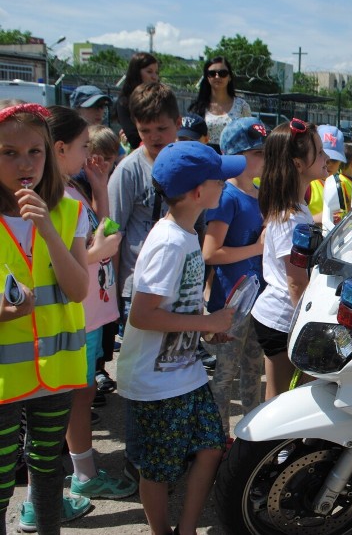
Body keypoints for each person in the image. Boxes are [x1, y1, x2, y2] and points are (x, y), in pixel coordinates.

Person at [116, 141, 242, 535]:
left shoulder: (186, 233)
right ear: (197, 192)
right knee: (158, 469)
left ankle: (185, 530)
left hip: (184, 373)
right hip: (155, 384)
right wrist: (208, 324)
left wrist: (205, 327)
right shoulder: (170, 241)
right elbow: (142, 314)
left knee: (210, 447)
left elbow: (179, 307)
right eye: (219, 178)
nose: (226, 182)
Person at [0, 102, 91, 534]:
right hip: (3, 377)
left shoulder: (68, 211)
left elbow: (78, 290)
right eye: (9, 153)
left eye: (34, 152)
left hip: (54, 370)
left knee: (48, 471)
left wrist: (49, 231)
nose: (25, 163)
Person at [47, 107, 137, 503]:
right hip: (76, 314)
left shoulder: (73, 188)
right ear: (60, 148)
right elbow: (52, 264)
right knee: (69, 400)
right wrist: (96, 251)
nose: (89, 155)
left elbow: (104, 228)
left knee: (81, 396)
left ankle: (80, 471)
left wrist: (100, 188)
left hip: (91, 311)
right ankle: (73, 478)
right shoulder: (51, 197)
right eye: (84, 147)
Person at [107, 82, 187, 481]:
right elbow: (114, 230)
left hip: (178, 287)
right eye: (146, 132)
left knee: (171, 370)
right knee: (140, 376)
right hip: (136, 290)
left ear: (178, 123)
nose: (155, 139)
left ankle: (167, 449)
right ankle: (137, 456)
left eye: (162, 130)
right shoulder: (128, 171)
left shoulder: (185, 164)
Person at [251, 119, 328, 399]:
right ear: (297, 163)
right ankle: (270, 443)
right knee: (280, 398)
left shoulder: (297, 207)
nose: (325, 157)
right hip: (281, 319)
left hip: (281, 315)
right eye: (318, 152)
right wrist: (310, 325)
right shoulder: (291, 217)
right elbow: (295, 281)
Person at [202, 117, 267, 441]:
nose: (264, 159)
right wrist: (257, 246)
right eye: (258, 152)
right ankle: (217, 440)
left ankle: (249, 438)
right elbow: (211, 252)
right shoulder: (226, 196)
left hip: (259, 303)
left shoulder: (260, 194)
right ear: (238, 157)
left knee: (253, 374)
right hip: (230, 305)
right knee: (225, 376)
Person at [87, 125, 123, 408]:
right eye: (103, 156)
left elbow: (107, 226)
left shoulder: (98, 180)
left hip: (102, 283)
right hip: (89, 287)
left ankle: (97, 374)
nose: (107, 164)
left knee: (102, 342)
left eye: (112, 157)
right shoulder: (76, 185)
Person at [189, 56, 252, 153]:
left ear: (229, 77)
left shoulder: (242, 106)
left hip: (233, 159)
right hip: (205, 158)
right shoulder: (197, 108)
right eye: (212, 73)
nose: (217, 77)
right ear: (207, 77)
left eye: (223, 73)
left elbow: (249, 136)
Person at [116, 52, 159, 150]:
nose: (154, 77)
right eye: (149, 71)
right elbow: (134, 139)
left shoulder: (160, 99)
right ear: (136, 73)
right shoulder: (124, 102)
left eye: (156, 72)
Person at [316, 124, 349, 232]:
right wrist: (317, 218)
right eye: (323, 156)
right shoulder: (305, 184)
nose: (328, 164)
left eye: (334, 160)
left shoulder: (343, 183)